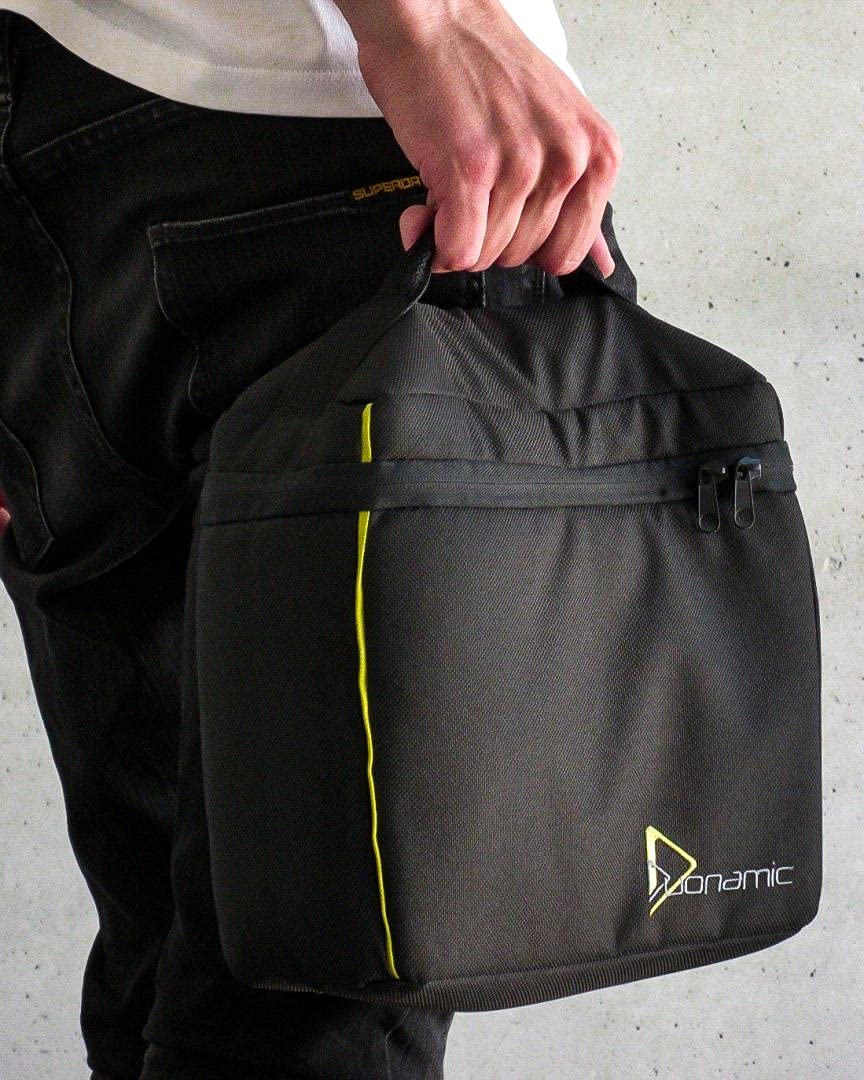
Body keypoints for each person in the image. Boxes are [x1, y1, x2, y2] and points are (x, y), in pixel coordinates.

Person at [0, 2, 623, 1077]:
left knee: (177, 951)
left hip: (58, 142)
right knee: (320, 989)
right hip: (333, 137)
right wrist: (432, 22)